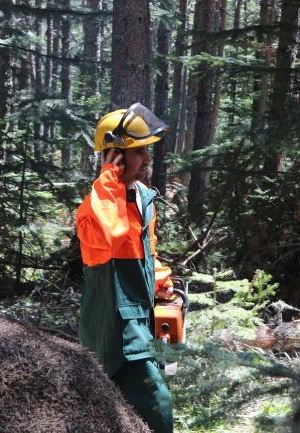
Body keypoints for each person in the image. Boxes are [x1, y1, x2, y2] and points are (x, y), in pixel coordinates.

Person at [76, 103, 174, 433]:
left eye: (145, 151)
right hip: (113, 329)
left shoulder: (143, 198)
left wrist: (159, 279)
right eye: (136, 152)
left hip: (141, 322)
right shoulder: (95, 205)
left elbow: (147, 251)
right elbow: (110, 234)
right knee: (158, 410)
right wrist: (109, 180)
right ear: (114, 156)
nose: (146, 159)